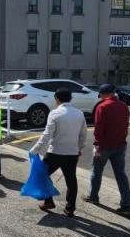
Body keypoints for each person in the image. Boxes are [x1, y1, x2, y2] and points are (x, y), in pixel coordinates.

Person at [28, 88, 87, 217]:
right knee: (71, 180)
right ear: (70, 98)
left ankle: (49, 201)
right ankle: (70, 208)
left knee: (43, 175)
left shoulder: (55, 114)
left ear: (56, 98)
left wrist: (34, 150)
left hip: (55, 152)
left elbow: (47, 135)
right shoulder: (79, 113)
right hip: (72, 153)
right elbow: (83, 135)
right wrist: (80, 148)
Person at [83, 84, 130, 217]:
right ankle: (126, 205)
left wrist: (98, 144)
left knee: (96, 171)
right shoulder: (123, 105)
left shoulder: (102, 106)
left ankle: (93, 196)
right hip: (120, 144)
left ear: (103, 94)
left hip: (104, 145)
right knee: (121, 175)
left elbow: (99, 128)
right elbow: (125, 124)